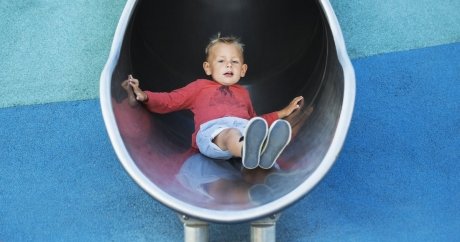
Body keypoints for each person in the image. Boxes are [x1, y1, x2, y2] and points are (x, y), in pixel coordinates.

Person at [127, 34, 303, 169]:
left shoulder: (243, 93)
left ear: (242, 70)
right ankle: (248, 151)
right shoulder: (199, 87)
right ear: (208, 67)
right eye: (221, 61)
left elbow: (255, 122)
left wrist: (283, 112)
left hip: (243, 129)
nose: (228, 65)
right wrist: (146, 96)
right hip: (213, 132)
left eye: (234, 62)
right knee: (230, 134)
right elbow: (171, 100)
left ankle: (262, 152)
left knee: (252, 130)